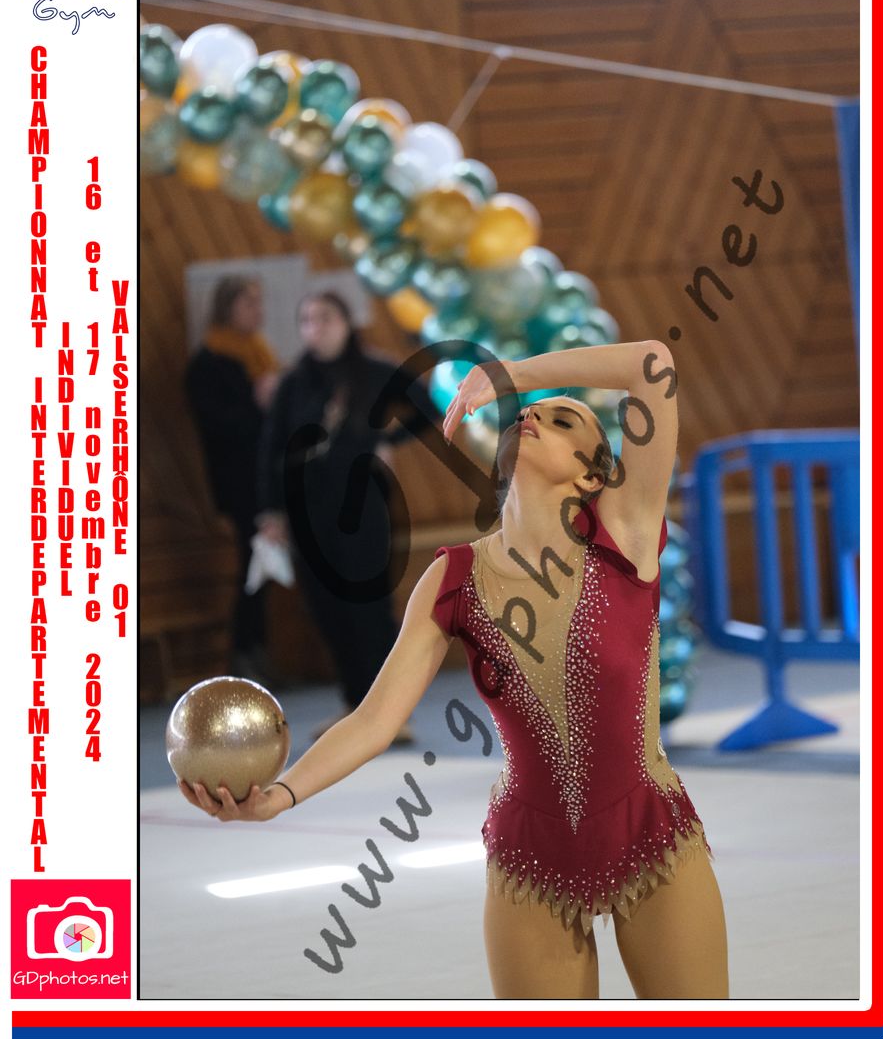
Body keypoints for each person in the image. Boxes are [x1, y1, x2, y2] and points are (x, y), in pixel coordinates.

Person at [179, 340, 730, 1000]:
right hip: (531, 861)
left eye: (562, 420)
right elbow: (375, 720)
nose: (531, 415)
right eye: (529, 410)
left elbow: (653, 364)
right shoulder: (453, 579)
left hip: (652, 839)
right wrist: (278, 797)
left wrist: (511, 374)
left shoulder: (625, 533)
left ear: (592, 477)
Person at [256, 290, 444, 743]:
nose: (315, 328)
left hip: (363, 505)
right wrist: (271, 511)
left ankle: (390, 713)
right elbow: (272, 448)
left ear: (345, 323)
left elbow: (428, 408)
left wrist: (388, 443)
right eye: (307, 320)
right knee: (326, 606)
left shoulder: (374, 369)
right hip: (308, 509)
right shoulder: (294, 382)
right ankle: (354, 705)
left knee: (369, 607)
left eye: (324, 318)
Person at [184, 276, 281, 684]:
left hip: (270, 478)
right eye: (248, 304)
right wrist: (260, 404)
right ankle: (245, 653)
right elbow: (220, 427)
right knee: (252, 568)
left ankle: (259, 650)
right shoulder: (207, 363)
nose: (257, 312)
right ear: (227, 309)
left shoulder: (260, 353)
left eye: (259, 302)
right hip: (239, 481)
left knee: (266, 569)